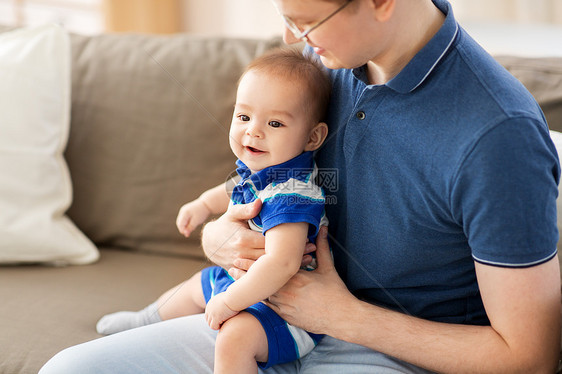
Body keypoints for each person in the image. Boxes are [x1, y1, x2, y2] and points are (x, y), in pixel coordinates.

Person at [40, 0, 561, 373]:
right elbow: (254, 188)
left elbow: (529, 357)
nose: (293, 37)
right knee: (69, 368)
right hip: (271, 317)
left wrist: (342, 316)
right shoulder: (320, 64)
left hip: (395, 353)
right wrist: (222, 238)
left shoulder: (498, 136)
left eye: (306, 20)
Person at [100, 48, 330, 372]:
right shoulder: (264, 170)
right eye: (244, 117)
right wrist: (203, 205)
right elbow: (231, 189)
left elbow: (283, 262)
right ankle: (145, 320)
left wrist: (230, 302)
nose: (253, 131)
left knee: (234, 339)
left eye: (275, 123)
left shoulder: (292, 195)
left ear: (312, 137)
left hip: (287, 308)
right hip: (246, 284)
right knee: (196, 286)